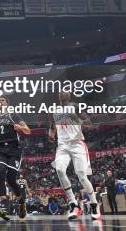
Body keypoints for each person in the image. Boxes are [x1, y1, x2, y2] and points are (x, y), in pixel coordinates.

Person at [48, 91, 101, 221]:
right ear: (58, 96)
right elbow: (52, 128)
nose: (61, 93)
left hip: (77, 144)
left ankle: (94, 204)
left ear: (69, 96)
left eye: (65, 91)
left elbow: (88, 122)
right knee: (60, 169)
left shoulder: (75, 107)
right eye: (60, 92)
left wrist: (83, 119)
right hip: (62, 145)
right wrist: (51, 134)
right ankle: (73, 204)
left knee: (81, 175)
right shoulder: (53, 110)